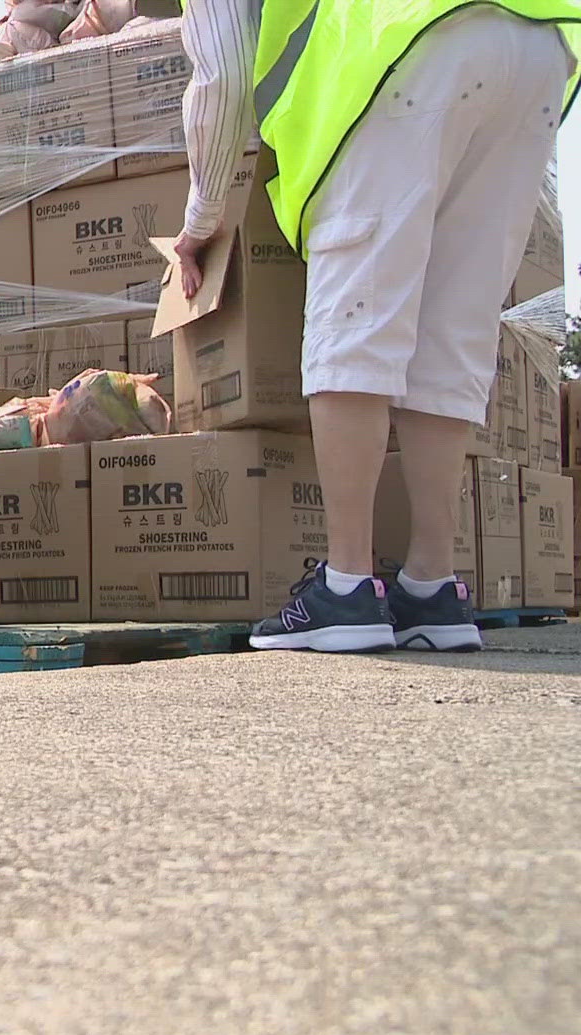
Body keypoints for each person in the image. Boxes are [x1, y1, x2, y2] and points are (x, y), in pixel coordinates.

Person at [172, 0, 579, 654]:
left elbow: (220, 71)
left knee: (356, 319)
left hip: (395, 55)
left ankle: (347, 583)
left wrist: (202, 215)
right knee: (454, 326)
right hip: (537, 45)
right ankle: (431, 585)